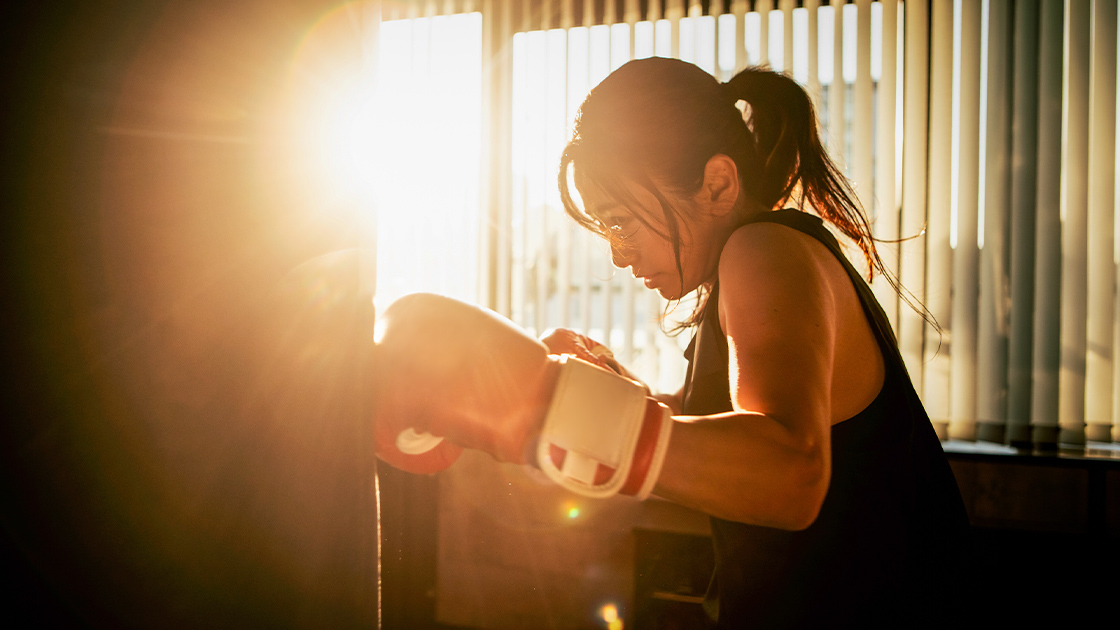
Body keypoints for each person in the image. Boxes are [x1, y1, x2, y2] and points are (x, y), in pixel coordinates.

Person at [373, 57, 971, 628]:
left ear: (717, 184)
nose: (617, 254)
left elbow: (792, 474)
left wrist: (553, 403)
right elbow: (729, 441)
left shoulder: (765, 250)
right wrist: (609, 393)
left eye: (621, 221)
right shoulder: (759, 263)